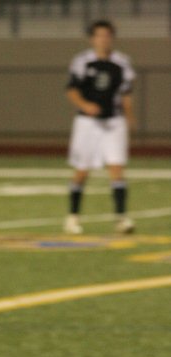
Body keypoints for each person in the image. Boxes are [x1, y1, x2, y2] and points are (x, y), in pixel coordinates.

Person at [64, 19, 136, 235]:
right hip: (87, 123)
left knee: (117, 168)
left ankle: (121, 219)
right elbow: (72, 90)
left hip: (114, 121)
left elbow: (126, 94)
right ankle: (73, 217)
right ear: (92, 38)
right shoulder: (82, 61)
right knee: (82, 171)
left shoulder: (122, 62)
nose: (103, 39)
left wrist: (129, 116)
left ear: (112, 37)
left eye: (107, 35)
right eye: (99, 35)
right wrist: (85, 105)